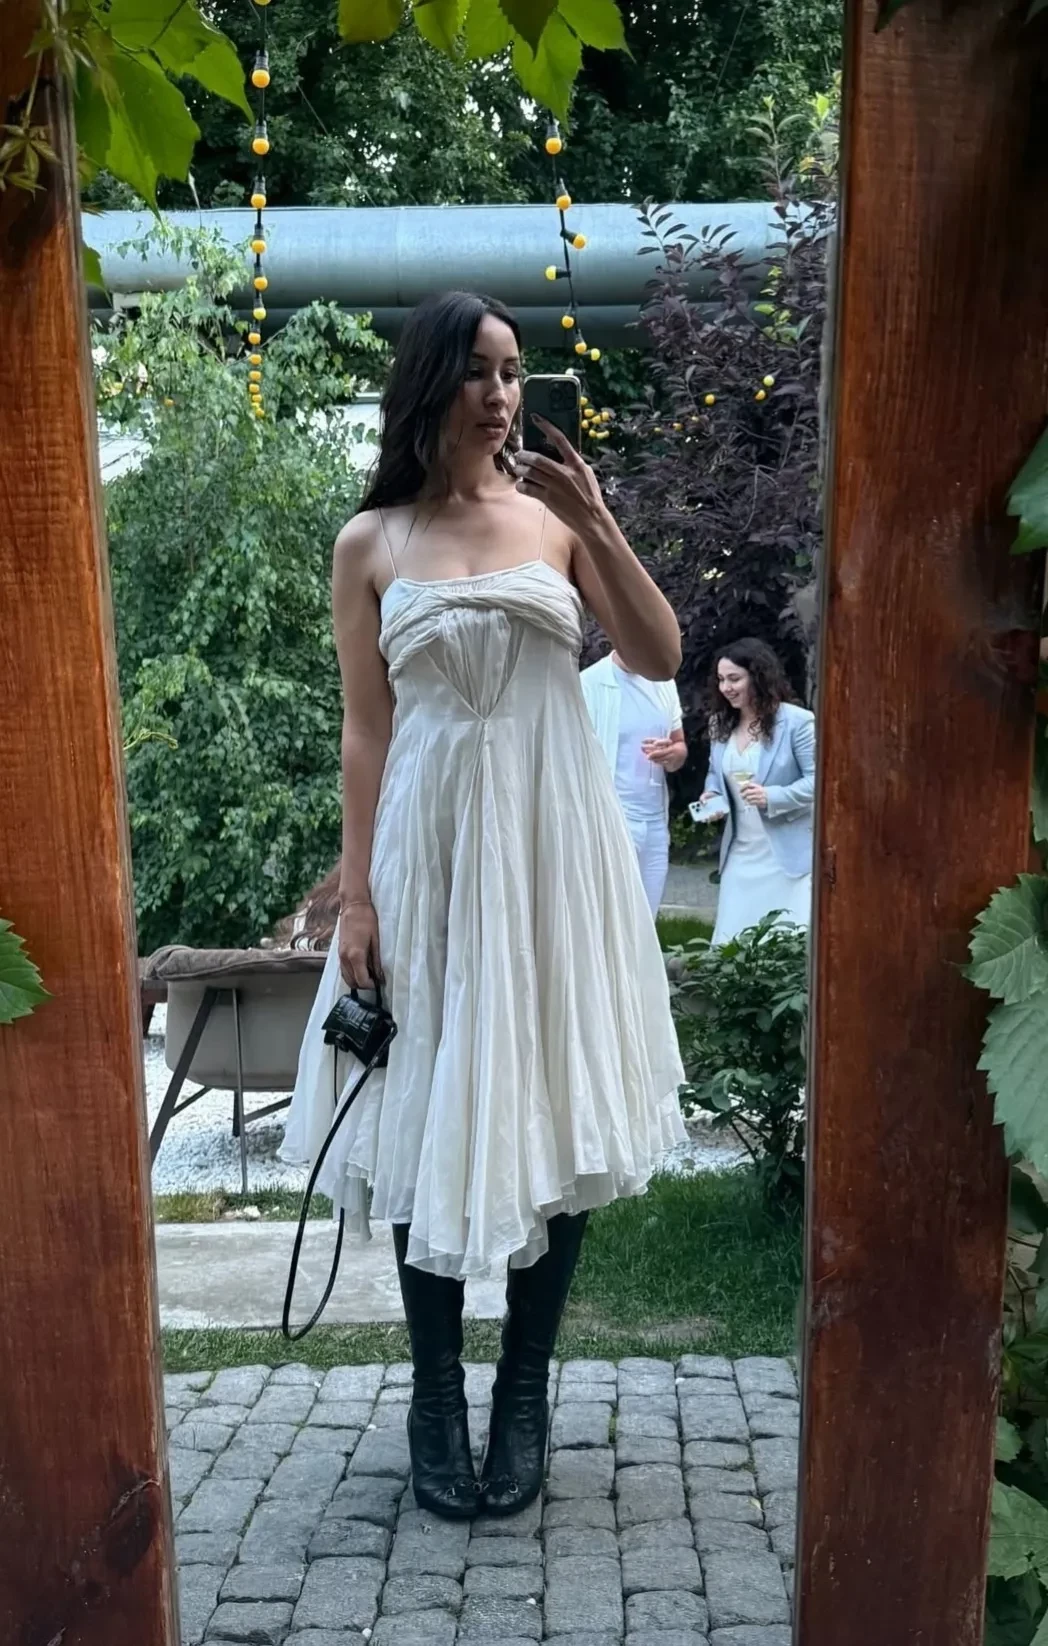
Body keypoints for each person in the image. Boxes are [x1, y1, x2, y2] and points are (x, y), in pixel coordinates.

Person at [281, 291, 685, 1523]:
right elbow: (365, 730)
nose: (502, 394)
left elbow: (661, 654)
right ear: (431, 383)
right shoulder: (371, 541)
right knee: (427, 1107)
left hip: (554, 853)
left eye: (513, 371)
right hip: (429, 857)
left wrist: (598, 521)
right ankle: (433, 1396)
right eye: (479, 371)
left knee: (551, 1100)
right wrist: (355, 895)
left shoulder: (557, 523)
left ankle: (522, 1387)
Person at [699, 638, 815, 946]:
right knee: (732, 941)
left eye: (734, 678)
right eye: (721, 680)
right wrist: (712, 796)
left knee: (783, 943)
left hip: (786, 857)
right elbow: (715, 775)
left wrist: (772, 796)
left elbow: (818, 781)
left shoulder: (798, 722)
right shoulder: (719, 724)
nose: (726, 687)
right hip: (740, 850)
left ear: (758, 676)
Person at [580, 651, 687, 915]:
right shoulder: (588, 684)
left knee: (647, 918)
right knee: (612, 917)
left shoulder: (664, 682)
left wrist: (673, 755)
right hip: (612, 818)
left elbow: (679, 745)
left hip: (655, 821)